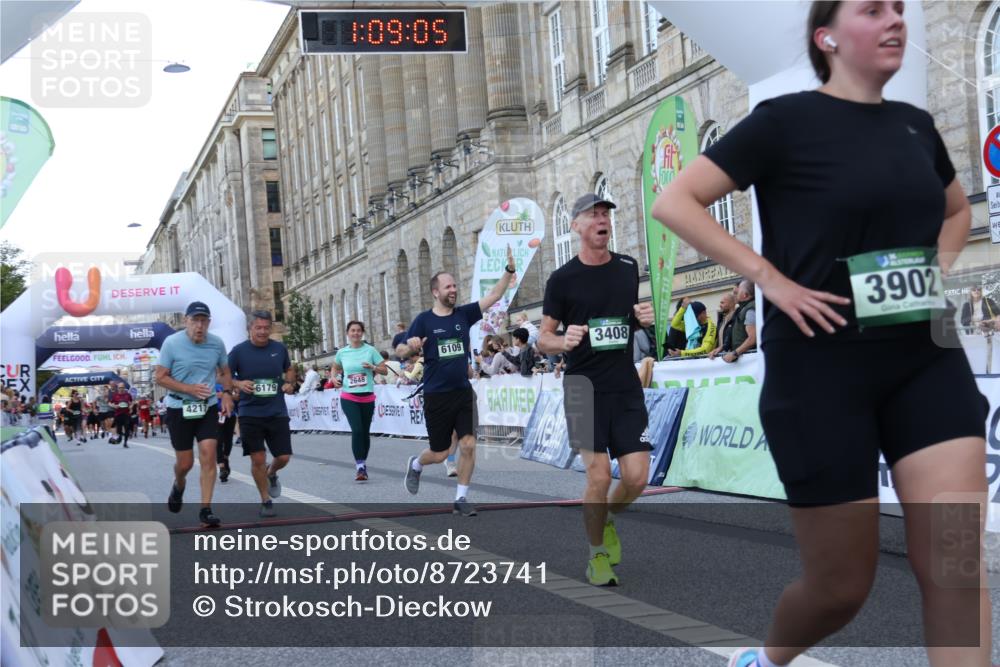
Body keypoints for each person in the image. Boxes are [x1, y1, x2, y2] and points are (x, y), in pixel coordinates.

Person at [652, 3, 990, 665]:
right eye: (873, 10)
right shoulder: (784, 121)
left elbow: (954, 211)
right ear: (827, 37)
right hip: (819, 369)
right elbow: (674, 201)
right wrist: (767, 278)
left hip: (928, 362)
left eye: (899, 8)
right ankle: (769, 657)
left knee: (955, 563)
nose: (895, 19)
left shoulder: (917, 127)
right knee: (840, 587)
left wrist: (935, 269)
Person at [537, 192, 654, 587]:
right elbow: (542, 340)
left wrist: (643, 320)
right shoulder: (562, 279)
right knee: (599, 476)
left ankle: (606, 521)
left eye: (605, 213)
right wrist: (562, 341)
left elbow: (626, 323)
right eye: (594, 214)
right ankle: (596, 556)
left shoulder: (627, 267)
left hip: (623, 384)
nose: (602, 219)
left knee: (637, 477)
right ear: (576, 226)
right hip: (582, 388)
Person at [403, 246, 517, 516]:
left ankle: (461, 498)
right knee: (441, 453)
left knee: (468, 444)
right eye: (448, 286)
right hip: (436, 395)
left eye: (454, 285)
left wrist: (509, 271)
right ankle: (417, 464)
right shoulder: (424, 321)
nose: (453, 289)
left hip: (463, 393)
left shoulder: (463, 314)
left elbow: (494, 295)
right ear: (436, 292)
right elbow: (402, 350)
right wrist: (410, 345)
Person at [155, 301, 235, 528]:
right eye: (195, 321)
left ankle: (205, 509)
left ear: (209, 323)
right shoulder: (171, 343)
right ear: (185, 321)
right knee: (185, 463)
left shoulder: (217, 344)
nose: (199, 326)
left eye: (203, 321)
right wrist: (189, 389)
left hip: (207, 407)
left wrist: (227, 393)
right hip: (179, 407)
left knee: (209, 453)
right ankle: (178, 485)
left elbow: (225, 371)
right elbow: (160, 377)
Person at [227, 309, 296, 518]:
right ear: (250, 329)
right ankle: (265, 499)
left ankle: (272, 472)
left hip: (276, 411)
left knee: (283, 456)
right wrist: (238, 383)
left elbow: (289, 370)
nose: (263, 332)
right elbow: (225, 377)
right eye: (258, 328)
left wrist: (289, 383)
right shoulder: (238, 352)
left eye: (267, 328)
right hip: (250, 412)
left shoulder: (279, 348)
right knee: (257, 458)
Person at [330, 320, 387, 482]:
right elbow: (335, 366)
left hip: (367, 395)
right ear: (348, 333)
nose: (355, 333)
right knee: (357, 430)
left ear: (362, 333)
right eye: (352, 330)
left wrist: (373, 367)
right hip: (349, 396)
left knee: (365, 431)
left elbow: (384, 368)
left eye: (358, 331)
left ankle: (363, 461)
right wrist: (333, 377)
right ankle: (360, 466)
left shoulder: (370, 350)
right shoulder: (342, 352)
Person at [725, 279, 758, 363]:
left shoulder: (750, 309)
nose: (734, 295)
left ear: (745, 295)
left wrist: (735, 353)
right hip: (745, 360)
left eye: (738, 292)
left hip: (748, 361)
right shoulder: (743, 308)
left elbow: (753, 338)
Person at [215, 384, 237, 483]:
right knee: (218, 440)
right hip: (215, 415)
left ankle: (225, 458)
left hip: (229, 415)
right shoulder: (209, 379)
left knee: (228, 441)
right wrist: (215, 395)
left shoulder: (232, 380)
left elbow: (238, 396)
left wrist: (226, 396)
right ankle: (222, 467)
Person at [708, 290, 738, 360]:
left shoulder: (737, 319)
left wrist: (723, 348)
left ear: (731, 304)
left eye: (722, 303)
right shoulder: (721, 320)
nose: (720, 305)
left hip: (733, 359)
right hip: (722, 358)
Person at [108, 383, 132, 447]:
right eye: (119, 387)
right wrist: (114, 406)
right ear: (117, 388)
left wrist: (131, 406)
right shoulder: (115, 395)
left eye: (122, 387)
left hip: (126, 414)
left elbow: (131, 402)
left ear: (124, 388)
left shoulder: (128, 395)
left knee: (127, 428)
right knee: (119, 429)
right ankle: (120, 436)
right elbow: (109, 403)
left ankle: (125, 443)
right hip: (118, 414)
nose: (121, 389)